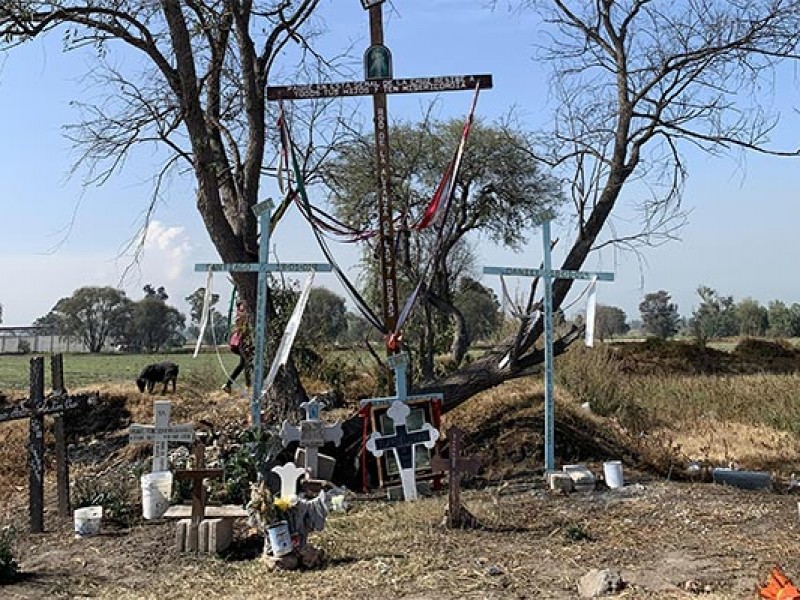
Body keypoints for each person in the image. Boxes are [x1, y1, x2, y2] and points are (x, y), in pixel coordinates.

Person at [222, 300, 253, 393]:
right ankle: (249, 385)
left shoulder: (243, 316)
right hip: (241, 342)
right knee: (248, 362)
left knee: (242, 364)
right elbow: (241, 328)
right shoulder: (240, 317)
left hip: (242, 342)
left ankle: (228, 385)